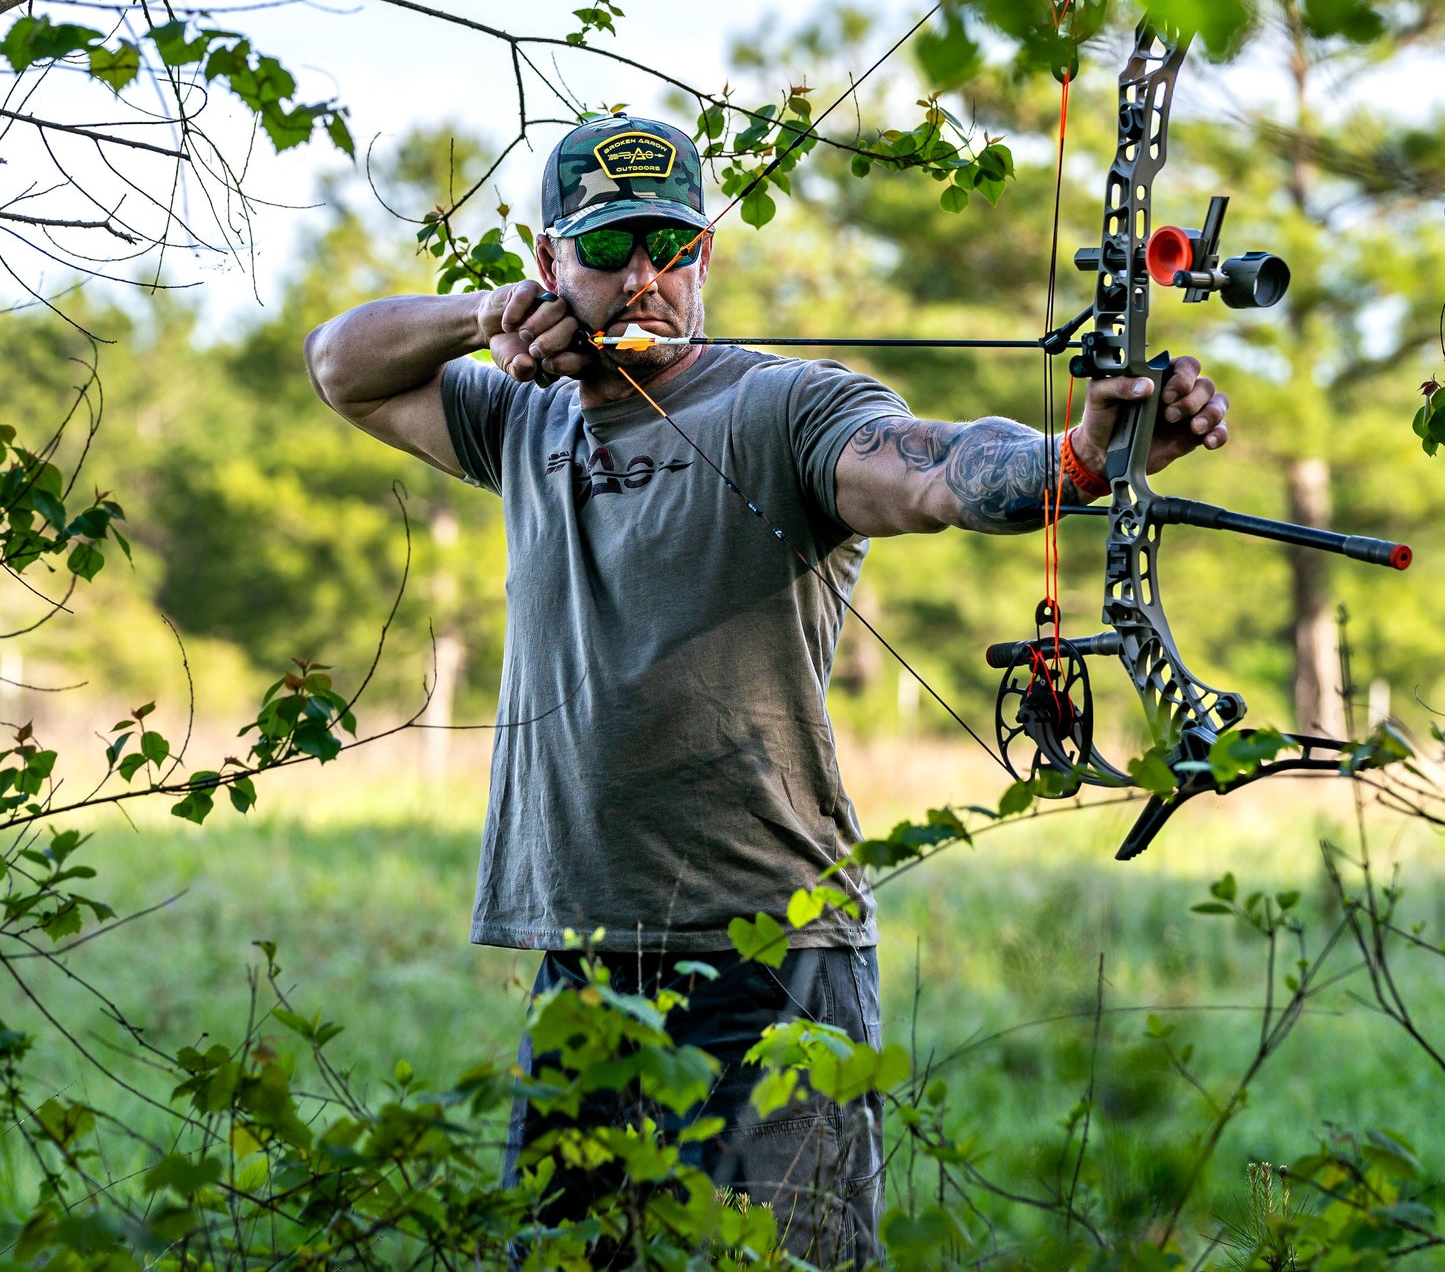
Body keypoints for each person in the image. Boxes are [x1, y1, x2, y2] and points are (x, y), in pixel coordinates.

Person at [304, 113, 1229, 1265]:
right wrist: (483, 317)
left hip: (774, 953)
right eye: (605, 249)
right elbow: (339, 366)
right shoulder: (519, 417)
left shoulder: (783, 407)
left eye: (669, 247)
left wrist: (1077, 458)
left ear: (705, 260)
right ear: (549, 263)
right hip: (585, 951)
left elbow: (935, 472)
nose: (642, 278)